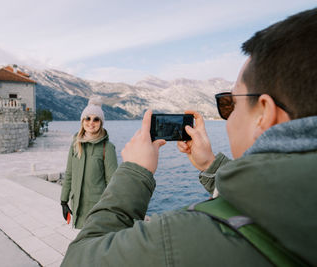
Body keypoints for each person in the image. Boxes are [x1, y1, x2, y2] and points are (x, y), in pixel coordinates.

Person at [61, 8, 317, 266]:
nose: (227, 116)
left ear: (264, 113)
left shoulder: (182, 239)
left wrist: (134, 172)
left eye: (229, 103)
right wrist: (210, 165)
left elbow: (78, 260)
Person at [60, 97, 118, 229]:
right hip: (77, 205)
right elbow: (69, 173)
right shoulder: (76, 144)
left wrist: (111, 209)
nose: (91, 122)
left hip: (97, 208)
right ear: (82, 121)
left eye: (96, 119)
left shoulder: (107, 148)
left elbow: (113, 183)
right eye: (88, 118)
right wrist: (63, 201)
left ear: (101, 122)